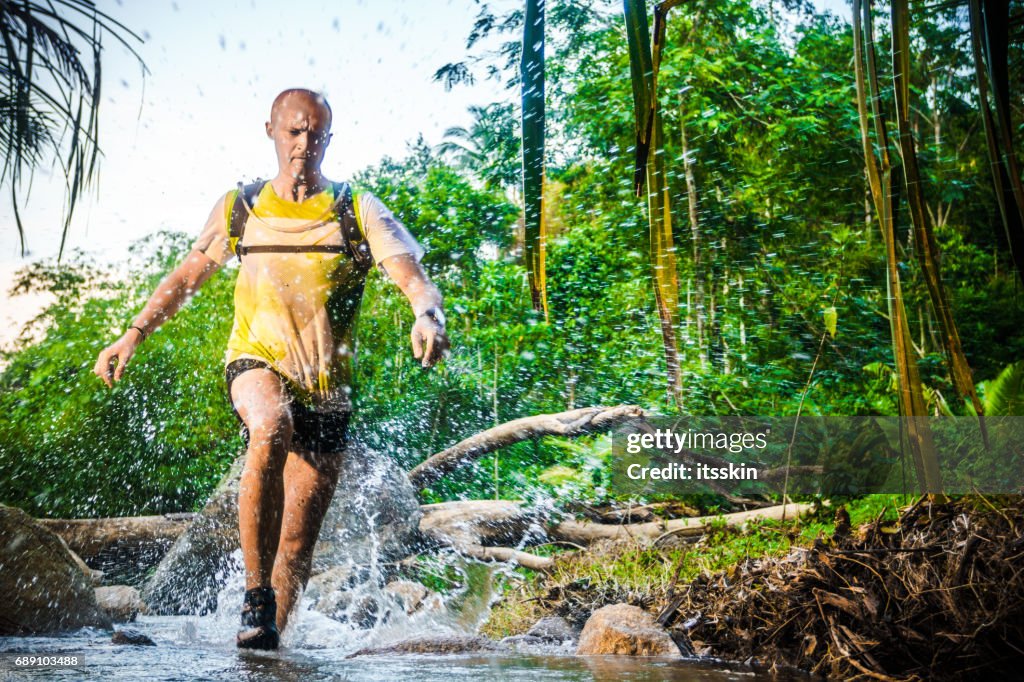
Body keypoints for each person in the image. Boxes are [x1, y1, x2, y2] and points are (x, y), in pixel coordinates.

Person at [93, 88, 449, 650]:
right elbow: (188, 276)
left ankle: (263, 642)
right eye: (293, 132)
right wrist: (133, 333)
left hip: (327, 392)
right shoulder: (242, 207)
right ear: (271, 131)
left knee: (298, 546)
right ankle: (254, 593)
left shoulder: (357, 209)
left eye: (315, 134)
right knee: (271, 427)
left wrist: (426, 314)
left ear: (329, 138)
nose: (304, 144)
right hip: (255, 362)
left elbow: (412, 276)